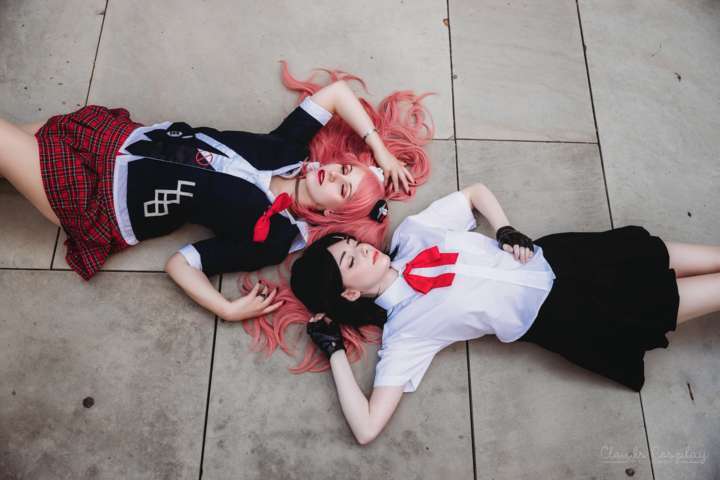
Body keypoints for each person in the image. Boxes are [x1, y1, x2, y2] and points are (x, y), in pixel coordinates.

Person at [288, 182, 720, 445]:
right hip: (572, 314)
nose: (363, 250)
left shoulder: (413, 233)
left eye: (353, 244)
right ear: (349, 293)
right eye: (351, 261)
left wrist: (505, 229)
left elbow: (474, 193)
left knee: (690, 256)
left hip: (569, 255)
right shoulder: (406, 332)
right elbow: (366, 428)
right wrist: (335, 352)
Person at [0, 63, 433, 322]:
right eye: (344, 170)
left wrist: (225, 309)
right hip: (113, 139)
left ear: (333, 215)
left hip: (102, 197)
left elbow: (182, 263)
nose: (334, 176)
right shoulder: (288, 149)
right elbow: (336, 94)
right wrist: (379, 149)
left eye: (343, 189)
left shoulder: (275, 237)